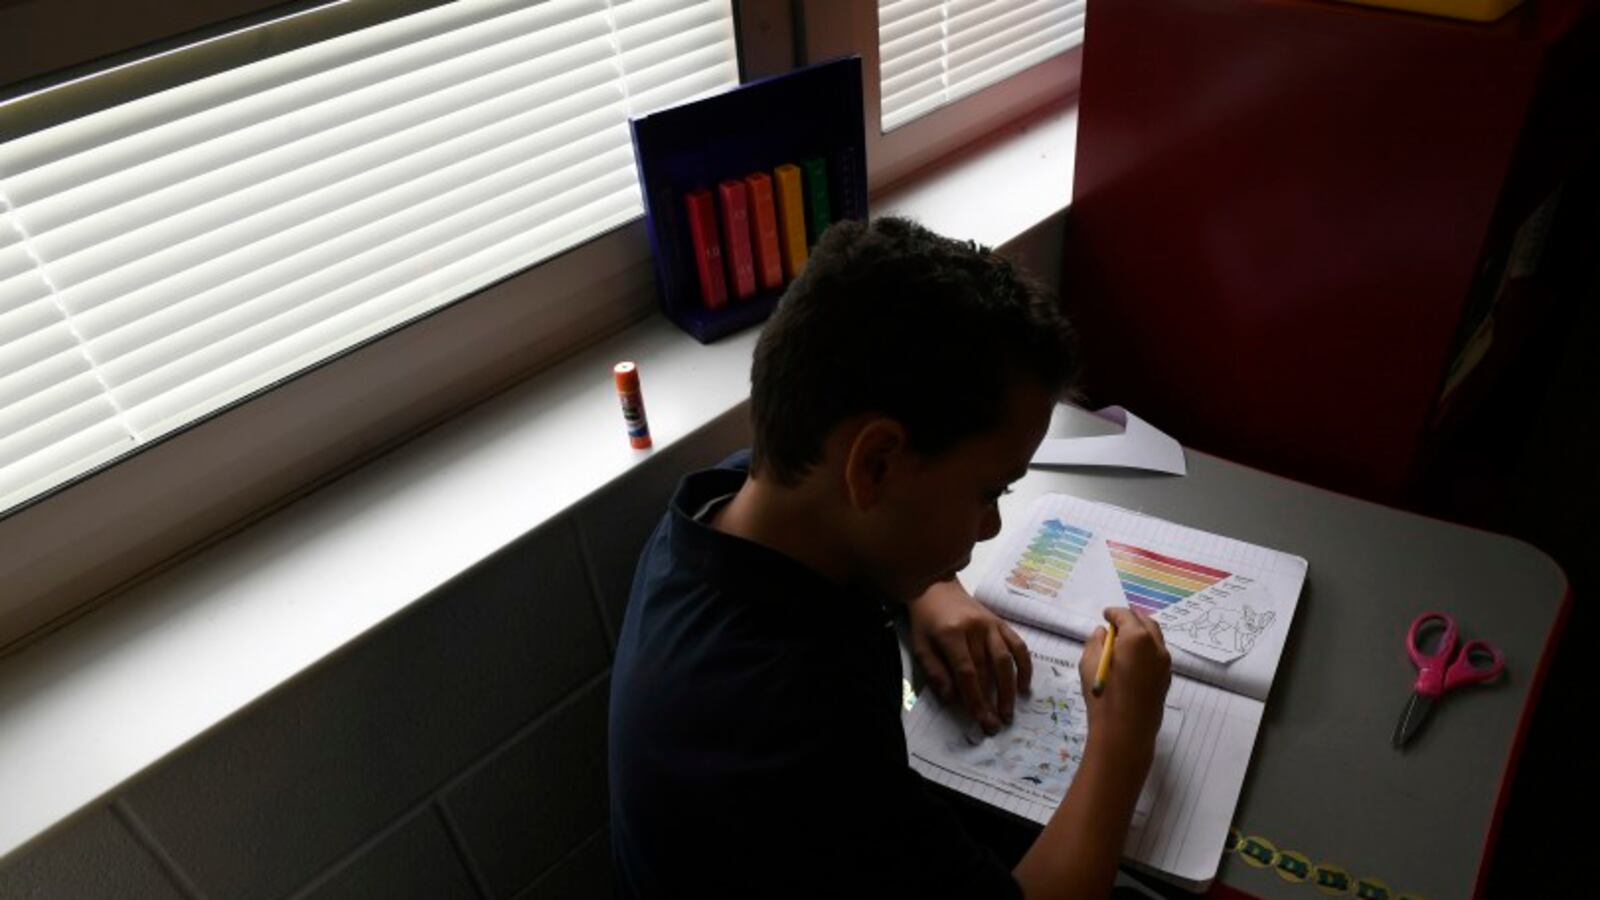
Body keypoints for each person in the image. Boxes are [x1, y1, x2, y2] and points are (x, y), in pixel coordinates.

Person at [609, 217, 1173, 899]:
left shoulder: (733, 505)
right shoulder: (785, 735)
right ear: (875, 464)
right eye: (989, 493)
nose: (992, 526)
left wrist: (932, 588)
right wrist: (1123, 738)